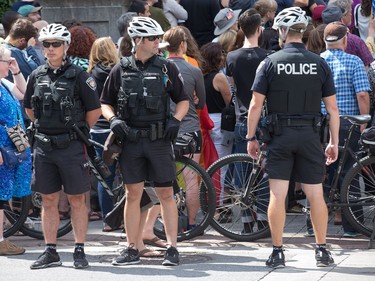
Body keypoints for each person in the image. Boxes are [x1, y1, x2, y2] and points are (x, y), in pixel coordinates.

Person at [247, 7, 339, 268]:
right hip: (310, 135)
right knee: (315, 193)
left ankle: (277, 251)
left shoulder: (269, 62)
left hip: (280, 135)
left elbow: (255, 105)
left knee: (277, 194)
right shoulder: (319, 62)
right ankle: (322, 250)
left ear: (284, 32)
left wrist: (251, 137)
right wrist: (333, 141)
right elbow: (332, 108)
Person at [100, 16, 189, 266]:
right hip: (130, 141)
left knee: (165, 194)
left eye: (158, 37)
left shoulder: (166, 68)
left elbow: (183, 99)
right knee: (132, 194)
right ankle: (131, 248)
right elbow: (104, 101)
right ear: (137, 40)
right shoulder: (120, 69)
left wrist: (176, 120)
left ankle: (172, 248)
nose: (157, 42)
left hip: (159, 140)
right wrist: (113, 119)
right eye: (152, 38)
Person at [23, 23, 102, 269]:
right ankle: (50, 251)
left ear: (66, 46)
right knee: (47, 199)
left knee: (77, 199)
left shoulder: (79, 75)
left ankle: (79, 249)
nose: (51, 48)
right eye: (46, 44)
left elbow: (94, 110)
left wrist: (76, 132)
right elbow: (29, 109)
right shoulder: (36, 75)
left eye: (56, 44)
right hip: (44, 147)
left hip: (71, 146)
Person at [321, 21, 371, 237]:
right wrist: (364, 123)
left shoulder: (318, 61)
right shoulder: (354, 61)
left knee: (319, 173)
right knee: (350, 172)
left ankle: (314, 221)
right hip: (347, 123)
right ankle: (352, 225)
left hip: (321, 123)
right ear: (345, 39)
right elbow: (362, 94)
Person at [163, 25, 206, 230]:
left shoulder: (158, 68)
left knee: (164, 179)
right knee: (191, 179)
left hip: (164, 129)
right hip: (189, 128)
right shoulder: (194, 69)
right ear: (182, 44)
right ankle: (191, 224)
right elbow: (201, 103)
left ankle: (169, 224)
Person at [0, 44, 32, 256]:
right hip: (2, 147)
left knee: (3, 194)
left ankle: (1, 238)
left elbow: (23, 93)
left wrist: (16, 71)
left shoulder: (3, 82)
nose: (9, 63)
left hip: (9, 146)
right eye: (7, 61)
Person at [88, 37, 120, 231]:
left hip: (96, 127)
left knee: (104, 176)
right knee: (127, 174)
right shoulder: (117, 72)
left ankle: (108, 220)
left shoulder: (90, 74)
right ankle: (124, 215)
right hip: (114, 125)